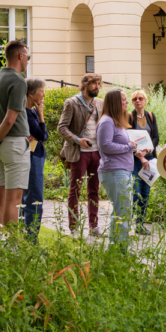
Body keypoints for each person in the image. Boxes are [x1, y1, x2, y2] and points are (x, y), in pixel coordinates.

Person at [0, 41, 31, 228]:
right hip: (14, 144)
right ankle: (12, 247)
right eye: (28, 57)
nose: (28, 61)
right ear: (20, 56)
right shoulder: (18, 81)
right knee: (13, 200)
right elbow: (10, 119)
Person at [97, 89, 147, 245]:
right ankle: (120, 249)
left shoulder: (115, 121)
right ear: (114, 103)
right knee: (123, 212)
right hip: (114, 171)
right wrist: (128, 147)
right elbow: (105, 146)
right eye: (124, 100)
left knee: (121, 210)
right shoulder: (107, 121)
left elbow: (120, 145)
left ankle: (116, 248)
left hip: (121, 171)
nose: (127, 102)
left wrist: (135, 150)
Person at [57, 73, 104, 236]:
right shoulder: (72, 102)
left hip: (96, 153)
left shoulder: (100, 103)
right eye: (94, 84)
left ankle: (94, 226)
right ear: (84, 85)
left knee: (94, 190)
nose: (97, 86)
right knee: (75, 189)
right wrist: (77, 140)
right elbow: (61, 128)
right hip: (79, 152)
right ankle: (74, 227)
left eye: (99, 83)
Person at [130, 89, 160, 236]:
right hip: (134, 159)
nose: (137, 101)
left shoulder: (150, 116)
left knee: (145, 192)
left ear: (145, 100)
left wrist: (147, 151)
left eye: (140, 98)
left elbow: (156, 137)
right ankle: (126, 222)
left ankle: (140, 225)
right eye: (135, 99)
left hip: (149, 159)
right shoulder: (129, 117)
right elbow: (128, 138)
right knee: (135, 192)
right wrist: (139, 155)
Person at [21, 77, 48, 243]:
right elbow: (42, 136)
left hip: (35, 155)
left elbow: (41, 135)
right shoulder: (28, 114)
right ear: (31, 94)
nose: (43, 95)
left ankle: (26, 235)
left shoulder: (30, 112)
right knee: (35, 198)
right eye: (41, 91)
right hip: (32, 157)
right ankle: (31, 239)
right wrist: (41, 115)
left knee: (28, 197)